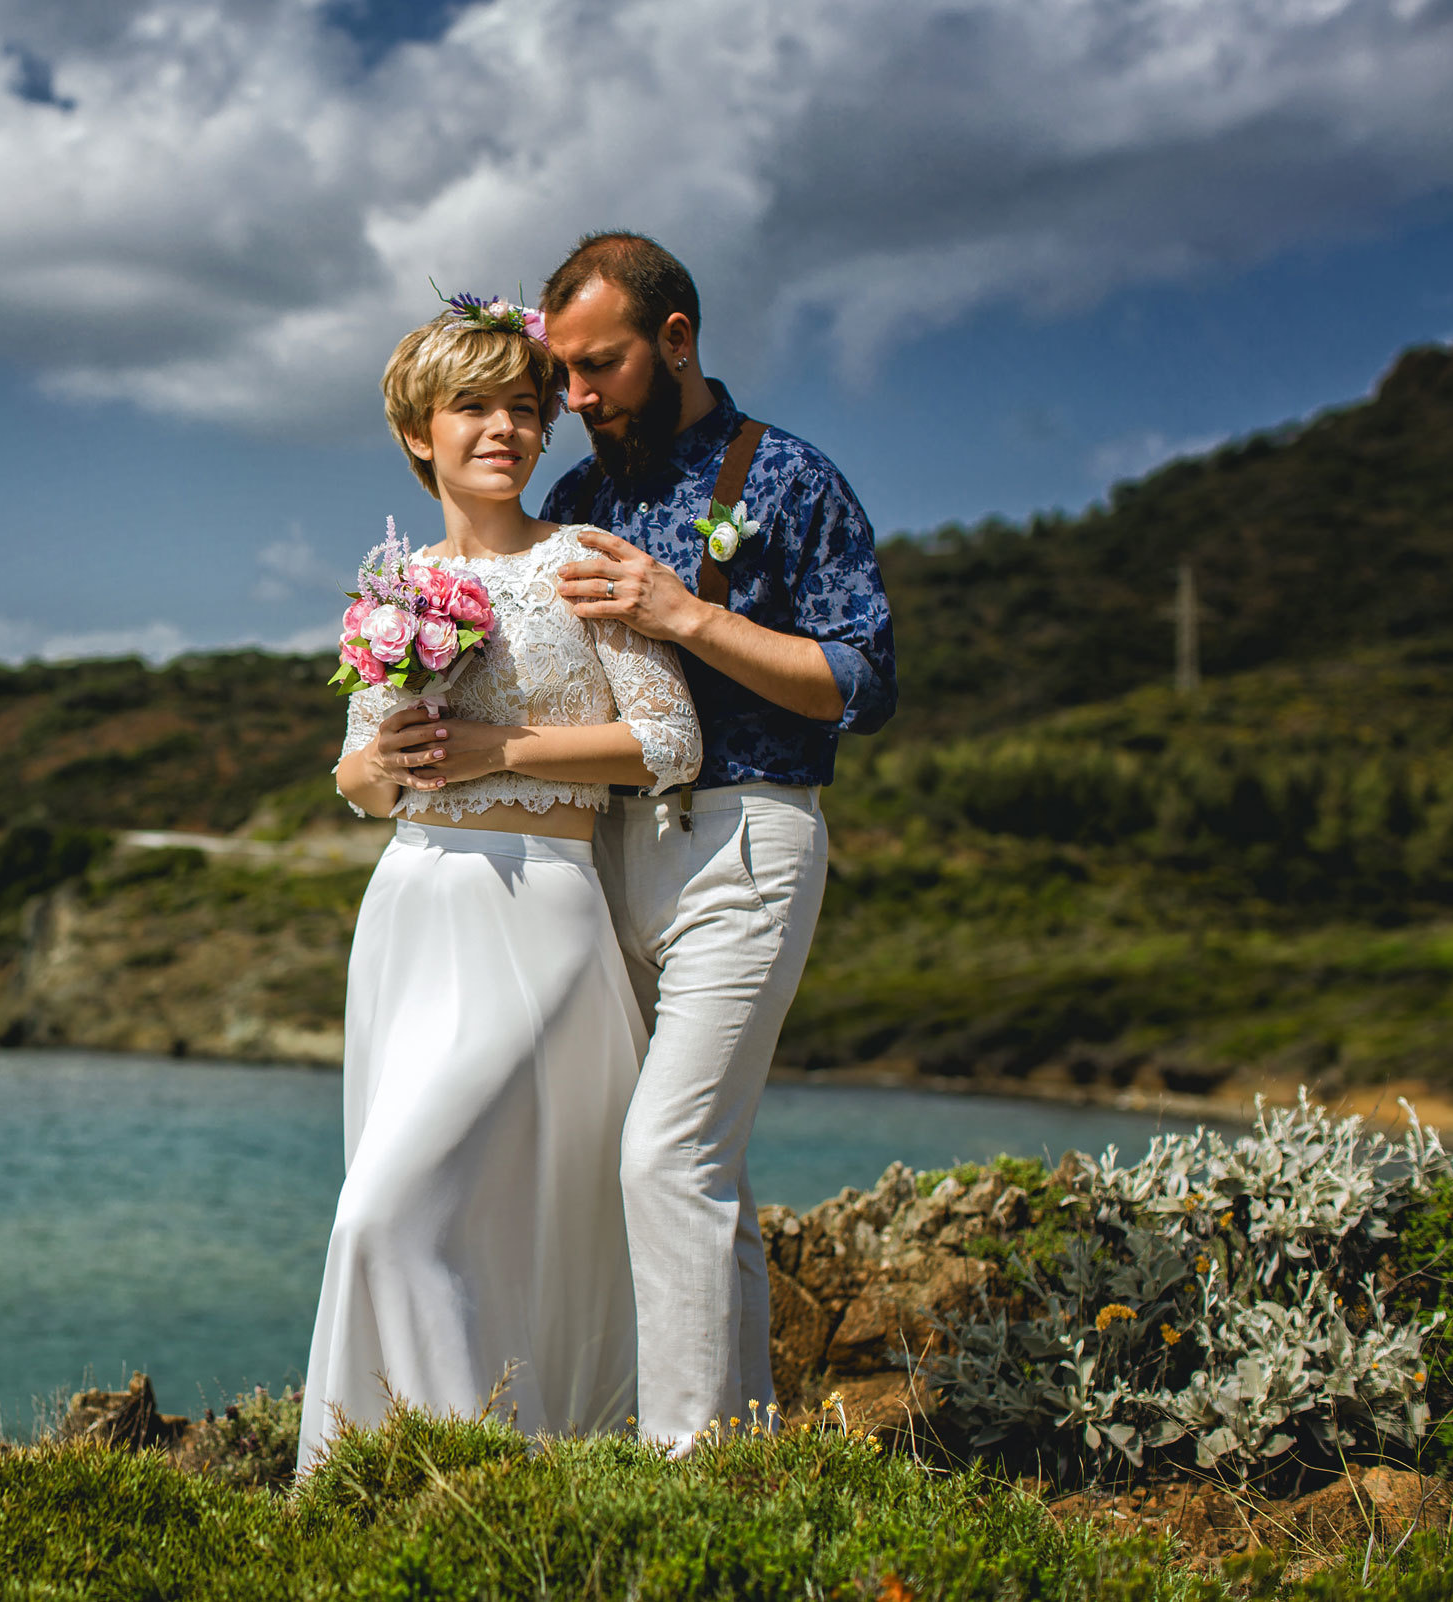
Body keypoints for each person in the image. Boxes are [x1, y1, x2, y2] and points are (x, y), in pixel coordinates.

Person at [296, 294, 704, 1473]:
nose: (506, 430)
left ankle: (464, 1471)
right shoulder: (393, 584)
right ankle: (430, 1476)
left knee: (403, 1211)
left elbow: (669, 742)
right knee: (425, 1210)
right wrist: (376, 762)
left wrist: (503, 752)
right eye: (472, 407)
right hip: (418, 911)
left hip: (546, 914)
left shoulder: (583, 562)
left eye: (524, 409)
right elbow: (362, 775)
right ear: (418, 432)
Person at [536, 232, 898, 1452]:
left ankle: (681, 1484)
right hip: (609, 857)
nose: (575, 398)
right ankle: (741, 1461)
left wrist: (685, 615)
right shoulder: (581, 500)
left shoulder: (792, 479)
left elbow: (861, 679)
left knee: (666, 1156)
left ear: (676, 341)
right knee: (700, 1176)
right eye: (564, 374)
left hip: (748, 841)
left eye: (601, 368)